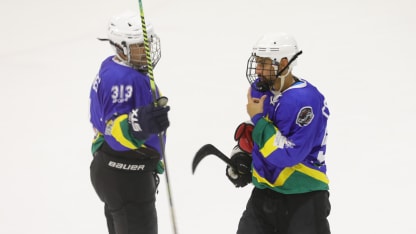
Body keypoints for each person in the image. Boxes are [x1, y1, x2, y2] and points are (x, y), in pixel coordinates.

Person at [226, 32, 331, 234]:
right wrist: (241, 155)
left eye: (264, 63)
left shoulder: (305, 101)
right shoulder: (260, 90)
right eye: (257, 62)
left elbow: (289, 154)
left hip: (303, 195)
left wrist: (258, 120)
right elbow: (255, 132)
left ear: (283, 63)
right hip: (265, 194)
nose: (257, 69)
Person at [89, 11, 170, 234]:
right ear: (121, 47)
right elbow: (113, 131)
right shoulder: (123, 80)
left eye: (147, 43)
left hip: (117, 172)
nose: (146, 50)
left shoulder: (114, 66)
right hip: (126, 177)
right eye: (138, 45)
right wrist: (138, 125)